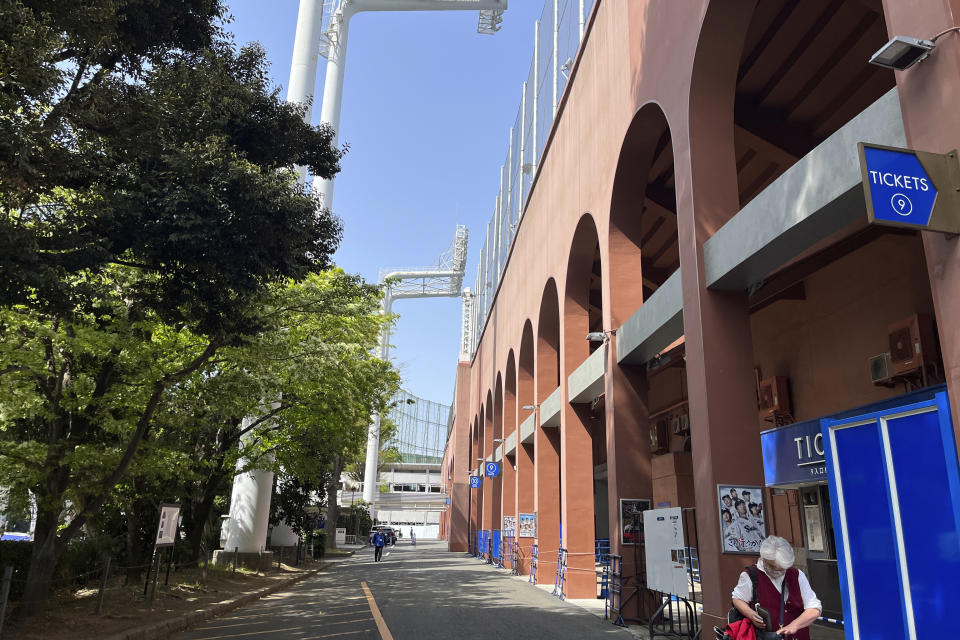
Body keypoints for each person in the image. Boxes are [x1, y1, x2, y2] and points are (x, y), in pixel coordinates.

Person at [731, 536, 822, 639]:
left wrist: (795, 625)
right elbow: (737, 598)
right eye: (773, 567)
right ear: (764, 559)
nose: (778, 572)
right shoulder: (750, 575)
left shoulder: (797, 574)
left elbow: (814, 608)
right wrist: (751, 615)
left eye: (783, 569)